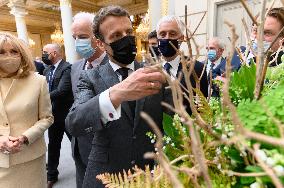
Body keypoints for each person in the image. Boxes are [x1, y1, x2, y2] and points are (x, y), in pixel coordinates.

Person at [65, 5, 171, 188]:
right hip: (105, 175)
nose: (126, 39)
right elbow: (74, 122)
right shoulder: (89, 77)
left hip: (150, 174)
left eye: (128, 32)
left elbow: (172, 122)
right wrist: (117, 93)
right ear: (100, 43)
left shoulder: (154, 73)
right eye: (116, 36)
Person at [0, 32, 53, 188]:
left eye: (14, 51)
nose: (8, 56)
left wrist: (25, 137)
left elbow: (47, 117)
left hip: (30, 159)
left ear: (21, 54)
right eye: (2, 52)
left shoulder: (38, 81)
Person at [68, 12, 108, 188]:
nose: (77, 42)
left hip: (107, 150)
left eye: (82, 37)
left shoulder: (114, 65)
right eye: (74, 37)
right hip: (80, 148)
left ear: (98, 37)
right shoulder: (75, 68)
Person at [156, 15, 208, 112]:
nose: (167, 38)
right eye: (162, 34)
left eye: (172, 34)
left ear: (181, 38)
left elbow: (203, 109)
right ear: (157, 38)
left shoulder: (197, 69)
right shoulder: (149, 69)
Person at [42, 43, 73, 188]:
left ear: (54, 53)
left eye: (45, 52)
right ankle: (52, 175)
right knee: (53, 145)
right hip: (52, 115)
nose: (43, 55)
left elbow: (63, 90)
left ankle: (85, 169)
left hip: (67, 115)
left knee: (76, 144)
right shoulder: (47, 70)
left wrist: (42, 97)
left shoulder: (67, 68)